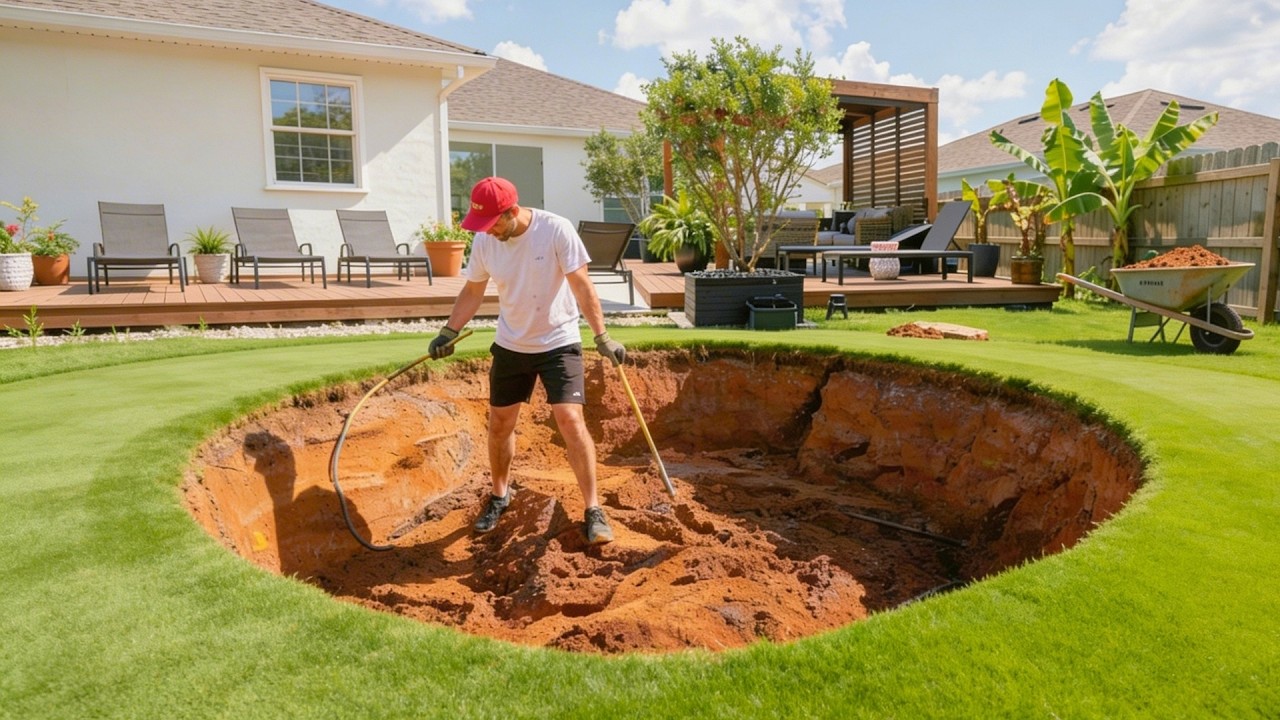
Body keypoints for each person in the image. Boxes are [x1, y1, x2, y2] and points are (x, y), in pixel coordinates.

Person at [428, 176, 626, 545]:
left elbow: (582, 285)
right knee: (501, 423)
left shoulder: (555, 230)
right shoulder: (486, 240)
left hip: (558, 340)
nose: (486, 231)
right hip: (511, 344)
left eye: (492, 223)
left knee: (569, 419)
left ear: (512, 211)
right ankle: (500, 496)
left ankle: (594, 509)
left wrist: (603, 336)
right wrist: (449, 331)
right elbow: (473, 289)